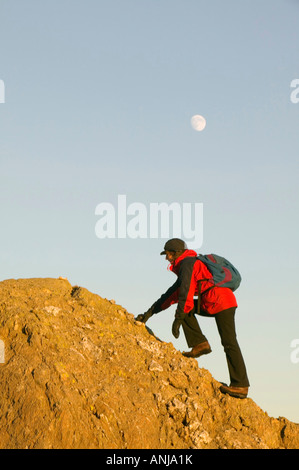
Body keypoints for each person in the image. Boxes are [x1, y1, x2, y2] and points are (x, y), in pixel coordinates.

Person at [135, 238, 250, 399]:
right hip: (213, 300)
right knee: (187, 311)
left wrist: (178, 319)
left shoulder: (188, 264)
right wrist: (148, 314)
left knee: (229, 342)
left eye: (167, 254)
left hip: (222, 301)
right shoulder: (187, 265)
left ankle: (240, 385)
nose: (166, 258)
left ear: (175, 254)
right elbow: (171, 294)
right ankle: (200, 344)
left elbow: (185, 293)